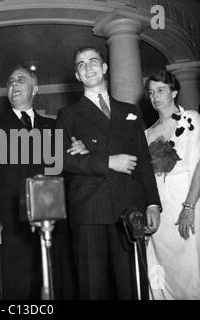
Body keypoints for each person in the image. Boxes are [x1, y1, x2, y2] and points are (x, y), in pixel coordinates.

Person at [56, 46, 161, 299]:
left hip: (129, 208)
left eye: (93, 61)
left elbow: (144, 162)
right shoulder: (67, 115)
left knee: (132, 286)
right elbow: (61, 159)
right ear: (78, 76)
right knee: (93, 289)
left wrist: (153, 204)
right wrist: (109, 161)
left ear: (104, 68)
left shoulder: (130, 111)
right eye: (81, 64)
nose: (88, 66)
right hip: (89, 209)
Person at [0, 66, 83, 299]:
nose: (14, 84)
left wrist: (79, 152)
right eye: (10, 81)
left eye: (20, 80)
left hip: (50, 220)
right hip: (9, 222)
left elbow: (68, 172)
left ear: (35, 89)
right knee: (13, 286)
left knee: (49, 282)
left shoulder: (53, 127)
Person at [145, 70, 200, 299]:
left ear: (174, 92)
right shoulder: (146, 133)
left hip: (189, 201)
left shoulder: (192, 120)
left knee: (191, 269)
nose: (155, 96)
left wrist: (189, 207)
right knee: (164, 271)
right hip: (162, 209)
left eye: (160, 90)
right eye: (150, 92)